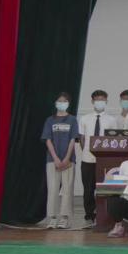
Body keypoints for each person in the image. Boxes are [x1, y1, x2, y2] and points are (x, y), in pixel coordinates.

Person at [77, 89, 119, 225]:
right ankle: (89, 215)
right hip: (87, 159)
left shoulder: (112, 120)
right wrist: (87, 151)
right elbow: (82, 139)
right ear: (92, 101)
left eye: (102, 100)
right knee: (88, 188)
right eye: (97, 100)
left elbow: (114, 140)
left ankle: (105, 215)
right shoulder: (84, 118)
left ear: (106, 101)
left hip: (105, 160)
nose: (99, 102)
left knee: (105, 188)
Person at [42, 92, 78, 229]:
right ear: (56, 103)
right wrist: (56, 158)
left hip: (69, 160)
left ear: (68, 103)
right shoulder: (50, 120)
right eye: (59, 101)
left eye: (64, 101)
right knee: (52, 188)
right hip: (52, 160)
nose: (62, 103)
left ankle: (64, 218)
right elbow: (48, 140)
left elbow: (73, 139)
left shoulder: (72, 120)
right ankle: (52, 217)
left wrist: (67, 158)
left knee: (67, 189)